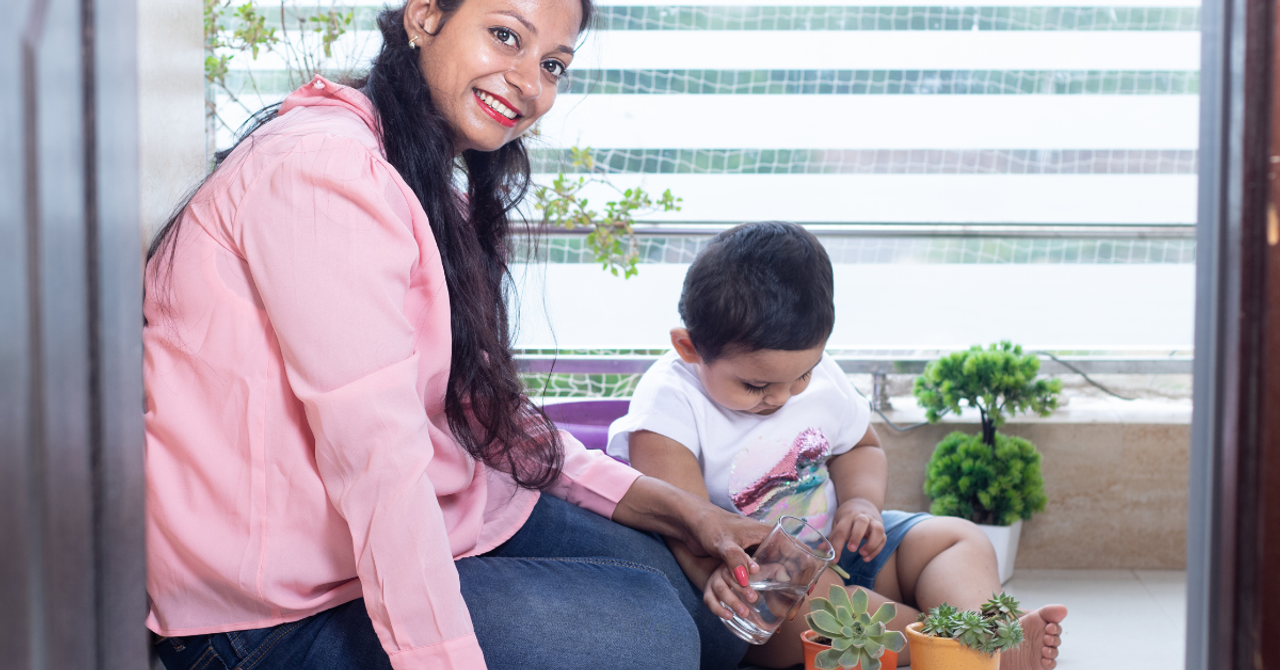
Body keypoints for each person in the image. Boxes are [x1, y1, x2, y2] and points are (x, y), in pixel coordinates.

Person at [141, 1, 771, 668]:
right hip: (268, 612)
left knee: (708, 608)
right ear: (424, 17)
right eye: (505, 36)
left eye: (552, 64)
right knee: (654, 634)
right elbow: (379, 462)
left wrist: (686, 512)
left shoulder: (415, 178)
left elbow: (488, 422)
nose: (529, 82)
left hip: (424, 524)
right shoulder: (324, 175)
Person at [606, 221, 1067, 670]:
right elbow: (684, 525)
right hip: (764, 590)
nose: (783, 397)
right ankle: (967, 646)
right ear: (689, 347)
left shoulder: (820, 375)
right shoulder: (668, 405)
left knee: (957, 539)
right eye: (755, 385)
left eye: (802, 376)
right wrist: (741, 579)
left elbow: (861, 446)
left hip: (844, 550)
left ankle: (974, 635)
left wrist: (862, 502)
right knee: (812, 624)